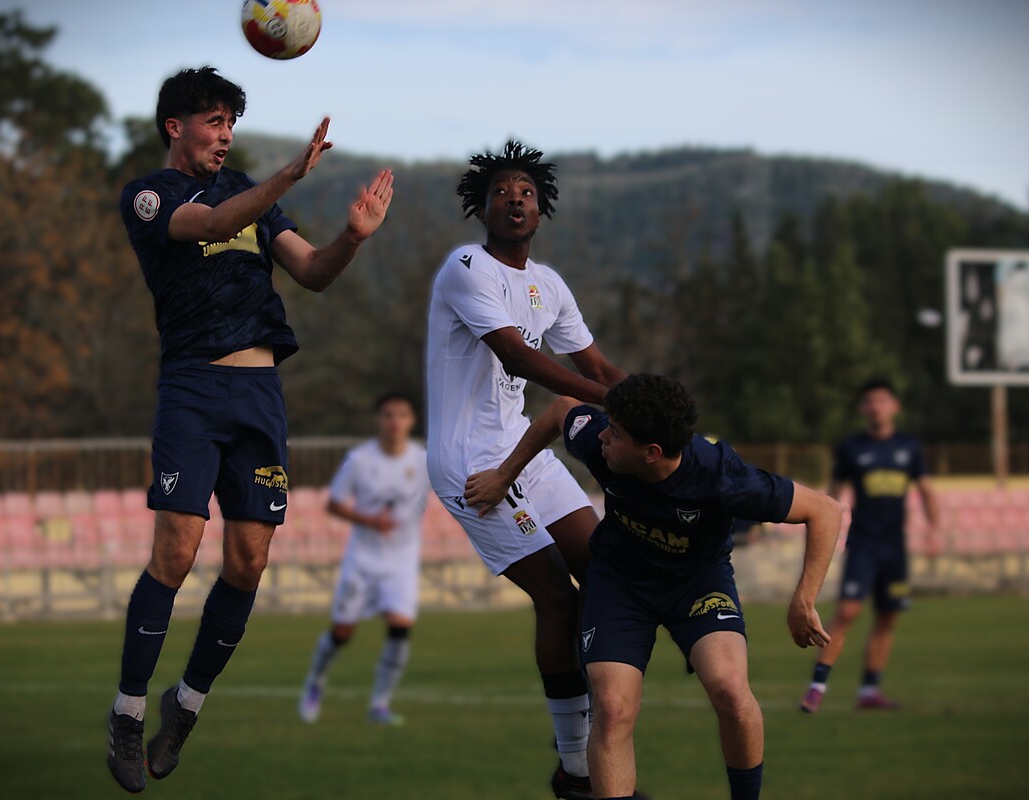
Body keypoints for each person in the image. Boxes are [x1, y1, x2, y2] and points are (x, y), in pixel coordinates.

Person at [108, 66, 394, 793]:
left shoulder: (257, 207)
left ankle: (187, 703)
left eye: (231, 123)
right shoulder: (151, 195)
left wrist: (352, 238)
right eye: (213, 121)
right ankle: (128, 711)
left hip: (260, 394)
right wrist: (287, 176)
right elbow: (209, 224)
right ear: (177, 127)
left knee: (249, 561)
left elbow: (313, 272)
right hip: (194, 388)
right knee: (175, 551)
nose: (225, 133)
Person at [464, 375, 842, 800]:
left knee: (732, 692)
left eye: (616, 433)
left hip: (697, 585)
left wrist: (804, 599)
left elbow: (825, 511)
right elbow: (559, 410)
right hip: (619, 584)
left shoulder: (721, 476)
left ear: (652, 453)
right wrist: (503, 475)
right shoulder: (601, 443)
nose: (603, 436)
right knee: (613, 708)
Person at [424, 140, 634, 799]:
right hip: (469, 464)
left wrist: (656, 403)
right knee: (558, 598)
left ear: (541, 212)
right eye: (502, 192)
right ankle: (574, 763)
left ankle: (603, 715)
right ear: (480, 208)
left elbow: (598, 367)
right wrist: (614, 401)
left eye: (527, 193)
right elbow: (519, 359)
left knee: (606, 564)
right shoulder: (466, 268)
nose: (515, 199)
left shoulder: (549, 285)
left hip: (522, 447)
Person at [800, 379, 939, 713]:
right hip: (863, 543)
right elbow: (832, 495)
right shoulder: (851, 448)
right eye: (870, 401)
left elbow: (926, 489)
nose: (876, 407)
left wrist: (935, 530)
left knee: (887, 616)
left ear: (895, 406)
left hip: (895, 546)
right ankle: (817, 686)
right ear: (863, 409)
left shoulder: (910, 446)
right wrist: (822, 526)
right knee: (848, 610)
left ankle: (869, 691)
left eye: (882, 400)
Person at [298, 392, 430, 726]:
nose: (395, 422)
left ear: (411, 421)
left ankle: (380, 704)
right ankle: (316, 680)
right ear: (378, 420)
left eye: (401, 415)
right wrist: (371, 521)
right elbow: (334, 503)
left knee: (400, 628)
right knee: (342, 632)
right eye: (388, 415)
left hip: (402, 560)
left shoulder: (424, 460)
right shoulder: (359, 459)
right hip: (363, 558)